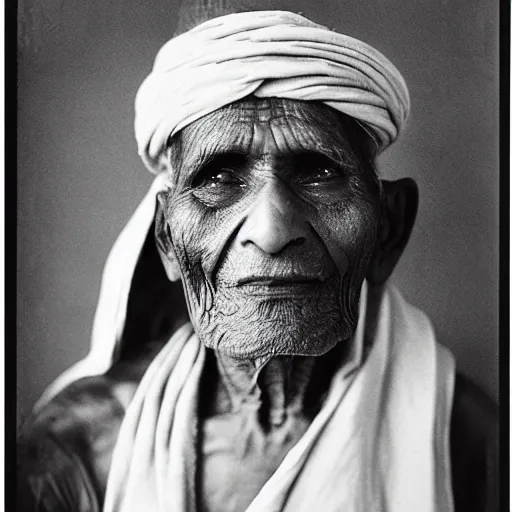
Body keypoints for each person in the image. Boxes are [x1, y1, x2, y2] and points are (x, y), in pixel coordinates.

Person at [17, 3, 498, 511]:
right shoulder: (79, 451)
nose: (271, 231)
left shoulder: (465, 441)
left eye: (318, 173)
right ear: (166, 238)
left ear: (388, 228)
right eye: (219, 179)